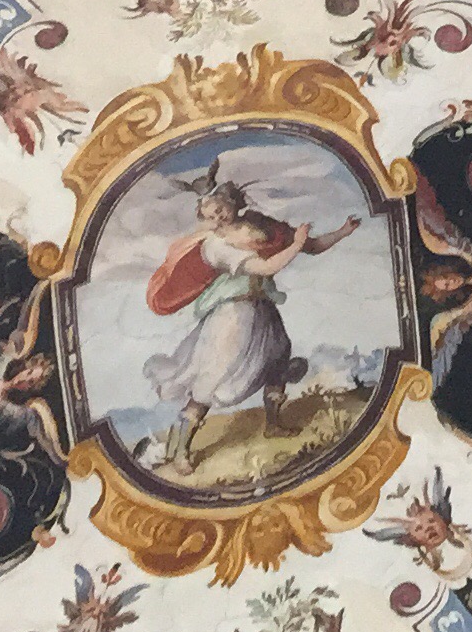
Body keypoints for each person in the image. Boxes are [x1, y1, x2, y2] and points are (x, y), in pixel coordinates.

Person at [142, 160, 361, 464]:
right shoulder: (215, 246)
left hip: (261, 308)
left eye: (220, 210)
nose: (218, 218)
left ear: (232, 202)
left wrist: (342, 232)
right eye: (210, 216)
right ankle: (181, 451)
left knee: (277, 360)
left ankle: (273, 425)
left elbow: (310, 245)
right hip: (232, 316)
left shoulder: (260, 226)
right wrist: (295, 245)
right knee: (213, 375)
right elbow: (266, 267)